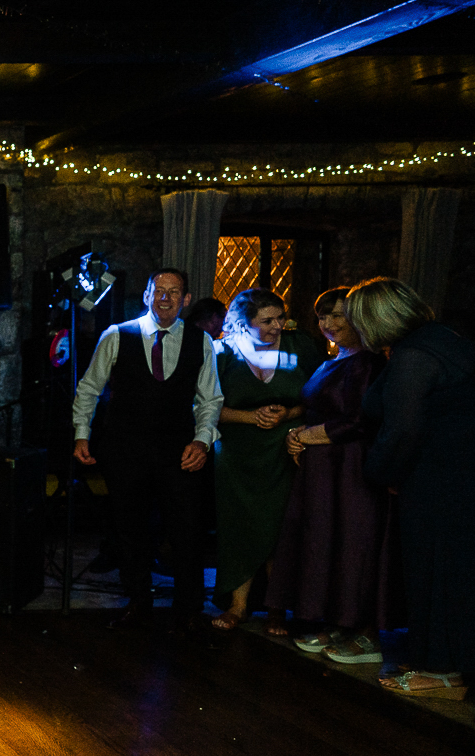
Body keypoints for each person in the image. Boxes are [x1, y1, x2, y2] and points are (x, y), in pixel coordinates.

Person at [351, 278, 475, 700]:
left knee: (436, 576)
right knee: (456, 575)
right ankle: (445, 663)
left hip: (442, 482)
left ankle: (442, 673)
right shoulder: (443, 338)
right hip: (469, 479)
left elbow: (402, 431)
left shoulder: (415, 355)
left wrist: (379, 474)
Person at [72, 269, 222, 627]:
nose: (166, 298)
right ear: (146, 295)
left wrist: (202, 441)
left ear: (185, 299)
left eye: (174, 292)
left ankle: (189, 608)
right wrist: (82, 433)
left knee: (187, 529)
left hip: (179, 450)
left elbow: (210, 399)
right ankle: (137, 602)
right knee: (130, 528)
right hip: (125, 448)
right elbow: (90, 387)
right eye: (159, 291)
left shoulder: (200, 341)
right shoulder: (116, 335)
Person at [267, 288, 400, 663]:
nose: (328, 324)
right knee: (329, 542)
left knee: (355, 542)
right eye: (323, 317)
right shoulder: (334, 359)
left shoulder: (370, 362)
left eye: (338, 316)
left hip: (352, 469)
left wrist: (306, 436)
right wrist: (296, 435)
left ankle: (366, 633)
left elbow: (361, 419)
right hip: (324, 471)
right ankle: (341, 622)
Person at [209, 288, 324, 632]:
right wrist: (250, 418)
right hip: (237, 452)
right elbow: (204, 406)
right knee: (238, 526)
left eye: (280, 318)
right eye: (266, 321)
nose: (277, 326)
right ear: (243, 324)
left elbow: (322, 395)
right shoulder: (221, 352)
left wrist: (290, 412)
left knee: (281, 526)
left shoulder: (300, 345)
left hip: (285, 447)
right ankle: (238, 604)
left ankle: (277, 606)